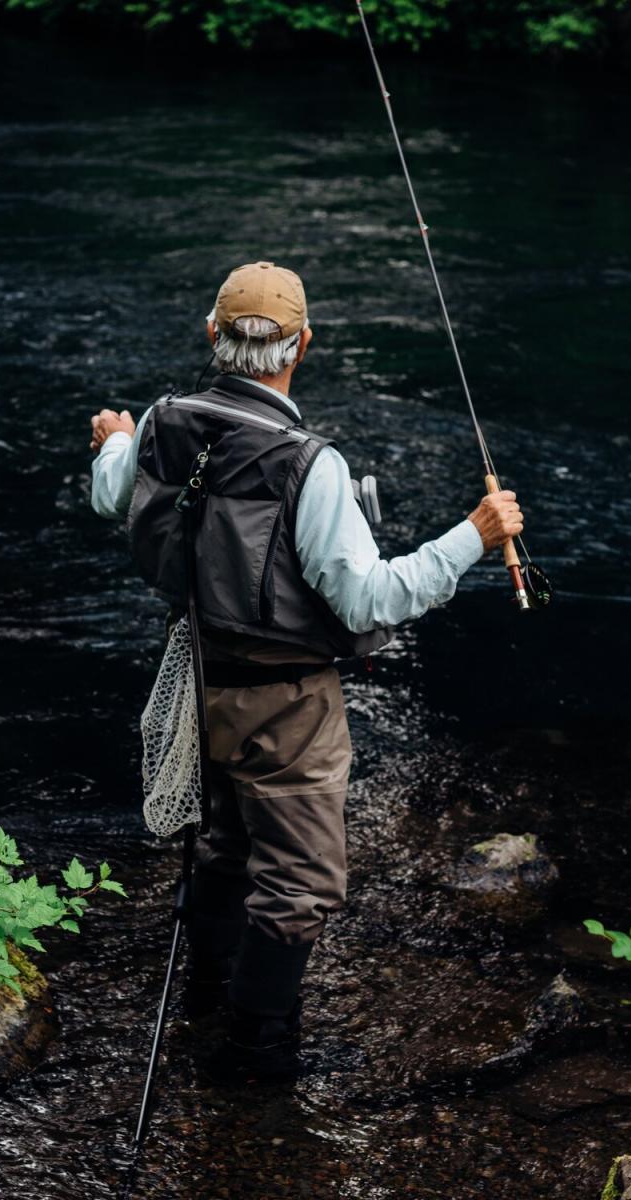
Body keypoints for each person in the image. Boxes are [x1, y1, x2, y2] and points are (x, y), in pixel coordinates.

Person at [88, 261, 523, 1082]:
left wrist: (115, 441)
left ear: (213, 336)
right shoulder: (309, 465)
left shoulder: (161, 422)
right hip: (288, 708)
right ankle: (257, 1055)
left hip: (197, 680)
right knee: (300, 882)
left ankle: (208, 1001)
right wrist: (475, 532)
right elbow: (367, 602)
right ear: (304, 344)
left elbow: (115, 495)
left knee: (220, 849)